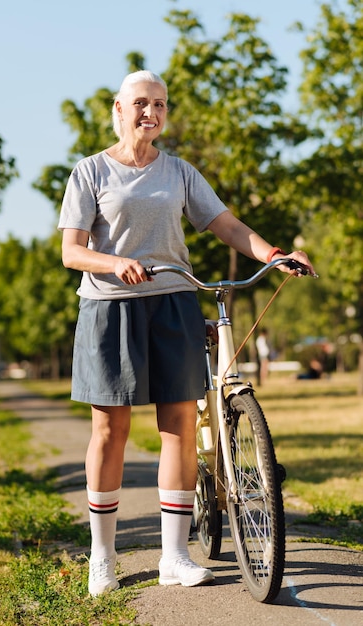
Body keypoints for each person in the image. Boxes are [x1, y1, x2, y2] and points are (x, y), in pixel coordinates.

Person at [58, 70, 315, 596]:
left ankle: (174, 555)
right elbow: (71, 251)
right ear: (118, 108)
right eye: (141, 104)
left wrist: (272, 254)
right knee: (111, 431)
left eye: (160, 104)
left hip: (174, 301)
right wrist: (114, 263)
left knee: (178, 424)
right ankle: (102, 556)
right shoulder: (90, 172)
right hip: (112, 308)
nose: (151, 112)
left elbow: (225, 224)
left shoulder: (179, 172)